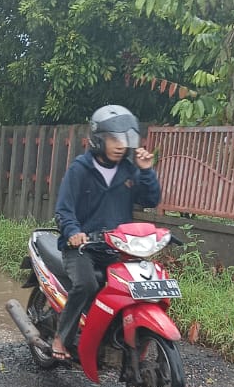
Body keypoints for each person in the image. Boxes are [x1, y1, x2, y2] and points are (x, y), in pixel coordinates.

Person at [51, 105, 160, 361]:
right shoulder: (80, 169)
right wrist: (74, 232)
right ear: (99, 139)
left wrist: (146, 171)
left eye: (124, 139)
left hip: (118, 248)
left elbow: (150, 200)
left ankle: (117, 337)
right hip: (82, 248)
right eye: (114, 139)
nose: (120, 145)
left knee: (138, 286)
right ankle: (61, 337)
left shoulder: (129, 170)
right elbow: (64, 210)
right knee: (86, 284)